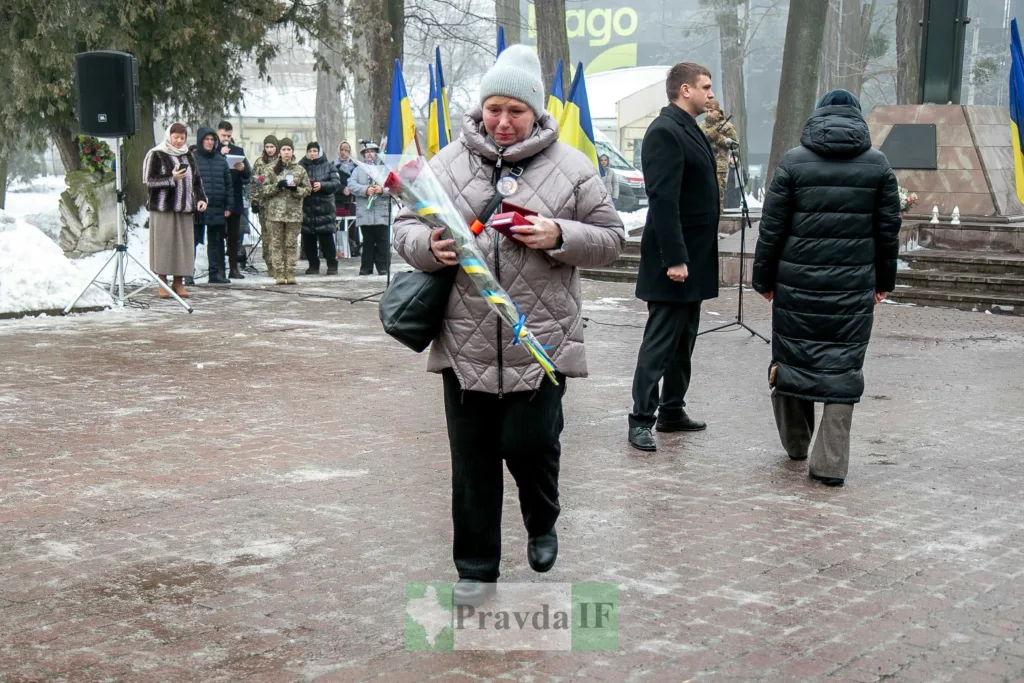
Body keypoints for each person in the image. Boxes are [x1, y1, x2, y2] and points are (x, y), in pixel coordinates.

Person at [392, 44, 625, 607]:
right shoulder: (446, 164)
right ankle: (476, 567)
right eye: (494, 108)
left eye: (514, 111)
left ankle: (542, 518)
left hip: (541, 343)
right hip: (465, 342)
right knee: (471, 463)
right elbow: (402, 228)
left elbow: (613, 240)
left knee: (531, 443)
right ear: (480, 108)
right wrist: (431, 246)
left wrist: (560, 236)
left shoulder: (571, 167)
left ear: (536, 112)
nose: (502, 121)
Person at [752, 89, 901, 487]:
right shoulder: (878, 166)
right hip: (853, 288)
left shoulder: (794, 162)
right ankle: (830, 466)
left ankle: (797, 444)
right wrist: (884, 282)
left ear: (816, 118)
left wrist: (763, 280)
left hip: (796, 285)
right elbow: (888, 232)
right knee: (843, 369)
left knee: (792, 357)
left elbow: (771, 229)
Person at [628, 62, 720, 453]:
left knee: (684, 340)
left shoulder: (689, 128)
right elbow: (663, 200)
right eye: (706, 87)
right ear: (685, 90)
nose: (712, 94)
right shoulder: (665, 131)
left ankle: (672, 409)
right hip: (675, 261)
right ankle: (640, 419)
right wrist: (675, 259)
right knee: (661, 342)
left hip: (693, 258)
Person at [143, 123, 208, 299]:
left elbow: (196, 180)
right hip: (163, 207)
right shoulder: (156, 154)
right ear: (168, 136)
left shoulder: (188, 155)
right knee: (164, 244)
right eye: (176, 137)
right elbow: (150, 181)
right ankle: (162, 281)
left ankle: (178, 281)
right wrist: (171, 178)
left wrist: (201, 199)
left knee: (183, 246)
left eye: (182, 138)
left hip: (185, 207)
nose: (179, 141)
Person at [260, 138, 311, 285]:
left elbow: (307, 189)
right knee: (276, 243)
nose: (286, 152)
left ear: (293, 151)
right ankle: (279, 272)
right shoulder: (270, 169)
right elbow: (264, 189)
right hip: (275, 214)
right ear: (279, 152)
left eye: (289, 149)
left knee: (291, 243)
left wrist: (296, 189)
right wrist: (277, 186)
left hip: (293, 214)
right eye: (284, 150)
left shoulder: (299, 169)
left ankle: (290, 271)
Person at [193, 127, 233, 284]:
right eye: (206, 139)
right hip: (198, 208)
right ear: (200, 141)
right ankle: (188, 275)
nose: (209, 142)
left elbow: (228, 186)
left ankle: (215, 274)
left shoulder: (220, 161)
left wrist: (229, 206)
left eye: (212, 140)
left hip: (217, 207)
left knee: (216, 242)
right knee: (193, 241)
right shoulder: (193, 159)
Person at [299, 142, 343, 275]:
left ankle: (332, 264)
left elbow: (336, 183)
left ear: (319, 152)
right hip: (307, 208)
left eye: (314, 150)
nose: (312, 153)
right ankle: (313, 265)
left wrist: (322, 185)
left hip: (324, 208)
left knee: (326, 239)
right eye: (310, 151)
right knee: (308, 239)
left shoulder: (329, 166)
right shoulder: (301, 167)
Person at [347, 142, 391, 276]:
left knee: (382, 241)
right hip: (365, 212)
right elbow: (351, 185)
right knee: (368, 241)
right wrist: (365, 190)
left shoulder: (384, 169)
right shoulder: (358, 170)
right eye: (366, 152)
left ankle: (383, 266)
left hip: (381, 212)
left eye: (372, 151)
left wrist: (382, 190)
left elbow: (395, 186)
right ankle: (366, 267)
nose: (369, 154)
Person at [216, 120, 252, 279]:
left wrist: (243, 169)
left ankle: (233, 268)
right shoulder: (213, 150)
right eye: (223, 135)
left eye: (229, 135)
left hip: (235, 198)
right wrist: (220, 154)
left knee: (233, 236)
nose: (226, 138)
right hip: (217, 199)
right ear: (218, 133)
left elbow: (248, 175)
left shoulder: (238, 150)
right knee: (217, 236)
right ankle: (218, 269)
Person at [698, 97, 738, 213]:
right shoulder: (701, 126)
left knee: (717, 194)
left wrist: (719, 138)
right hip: (703, 164)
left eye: (711, 111)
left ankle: (718, 219)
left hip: (719, 166)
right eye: (707, 111)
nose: (708, 114)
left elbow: (735, 145)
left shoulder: (727, 126)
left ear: (718, 111)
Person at [251, 135, 279, 279]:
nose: (269, 150)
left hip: (280, 205)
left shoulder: (282, 161)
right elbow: (255, 183)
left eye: (272, 147)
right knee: (267, 236)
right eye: (267, 147)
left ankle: (279, 264)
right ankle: (270, 265)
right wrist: (254, 201)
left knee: (278, 236)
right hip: (264, 205)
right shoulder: (259, 162)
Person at [333, 141, 360, 258]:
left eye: (346, 150)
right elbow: (331, 182)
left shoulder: (356, 166)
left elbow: (359, 181)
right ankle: (339, 249)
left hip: (352, 200)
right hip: (339, 200)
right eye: (342, 150)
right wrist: (341, 189)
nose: (344, 152)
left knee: (353, 224)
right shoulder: (333, 166)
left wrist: (352, 188)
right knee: (339, 223)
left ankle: (354, 247)